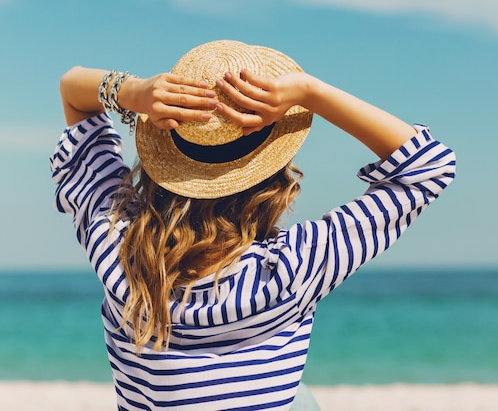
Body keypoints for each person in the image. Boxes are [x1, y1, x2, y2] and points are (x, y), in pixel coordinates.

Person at [51, 40, 456, 410]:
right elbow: (429, 165)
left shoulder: (115, 244)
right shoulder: (291, 269)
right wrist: (311, 92)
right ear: (275, 175)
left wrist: (132, 92)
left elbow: (73, 89)